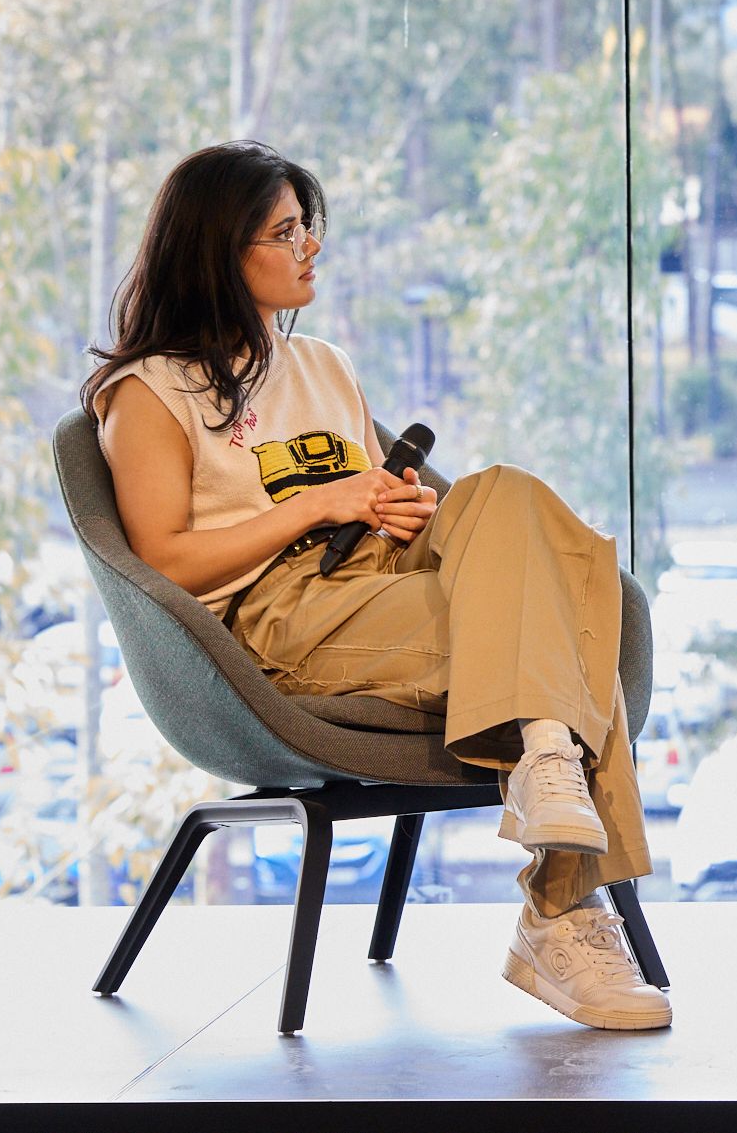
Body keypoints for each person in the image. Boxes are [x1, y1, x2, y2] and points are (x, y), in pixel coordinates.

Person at [84, 142, 670, 1032]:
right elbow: (163, 560)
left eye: (306, 226)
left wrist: (393, 505)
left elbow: (371, 503)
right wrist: (319, 501)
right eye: (284, 232)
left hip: (380, 575)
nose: (310, 246)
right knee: (570, 624)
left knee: (503, 492)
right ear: (218, 252)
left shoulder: (322, 363)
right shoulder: (149, 391)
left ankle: (547, 769)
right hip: (281, 616)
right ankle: (563, 907)